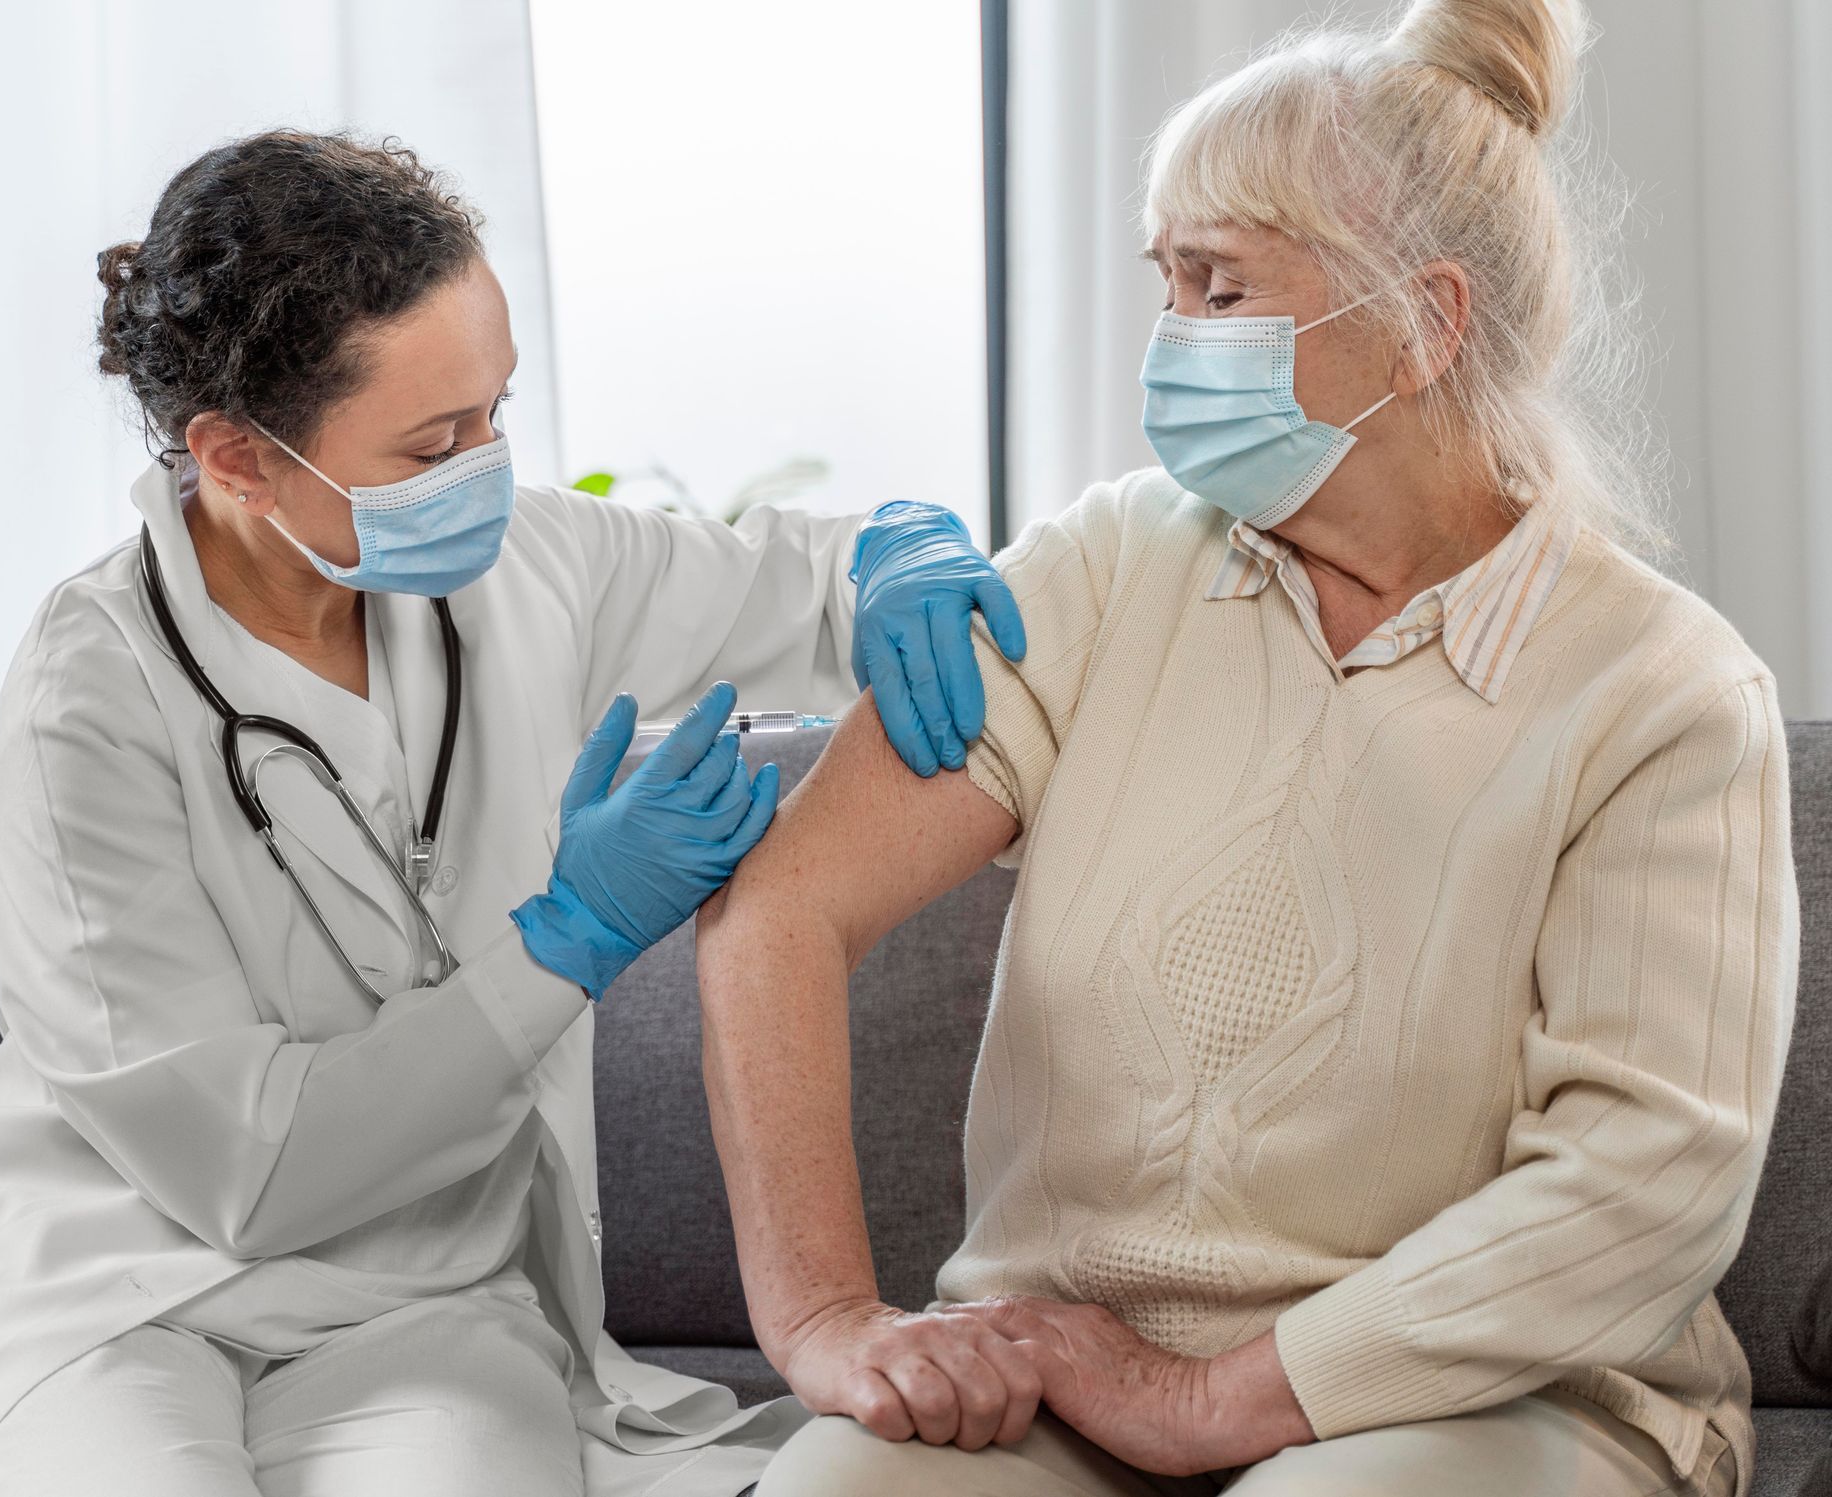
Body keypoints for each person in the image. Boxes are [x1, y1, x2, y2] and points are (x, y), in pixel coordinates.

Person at [694, 2, 1798, 1494]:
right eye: (1167, 281)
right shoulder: (1103, 568)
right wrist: (826, 1320)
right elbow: (782, 908)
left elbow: (1644, 1187)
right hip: (1066, 1379)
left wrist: (1220, 1397)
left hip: (1502, 1399)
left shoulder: (1662, 694)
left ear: (1428, 323)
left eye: (1218, 286)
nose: (1171, 342)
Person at [0, 131, 1024, 1497]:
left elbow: (799, 578)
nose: (488, 469)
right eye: (436, 440)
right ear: (235, 458)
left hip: (422, 1292)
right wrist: (567, 940)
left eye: (496, 411)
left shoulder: (522, 567)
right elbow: (247, 1177)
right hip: (105, 1287)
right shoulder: (88, 704)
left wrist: (900, 549)